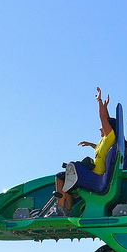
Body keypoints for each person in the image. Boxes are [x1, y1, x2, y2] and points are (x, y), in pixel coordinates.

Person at [47, 87, 116, 217]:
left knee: (63, 174)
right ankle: (67, 209)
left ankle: (61, 208)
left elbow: (104, 119)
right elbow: (107, 119)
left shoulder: (109, 137)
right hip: (96, 174)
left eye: (104, 126)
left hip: (97, 177)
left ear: (109, 128)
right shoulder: (105, 141)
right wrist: (91, 144)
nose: (100, 127)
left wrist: (99, 101)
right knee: (67, 178)